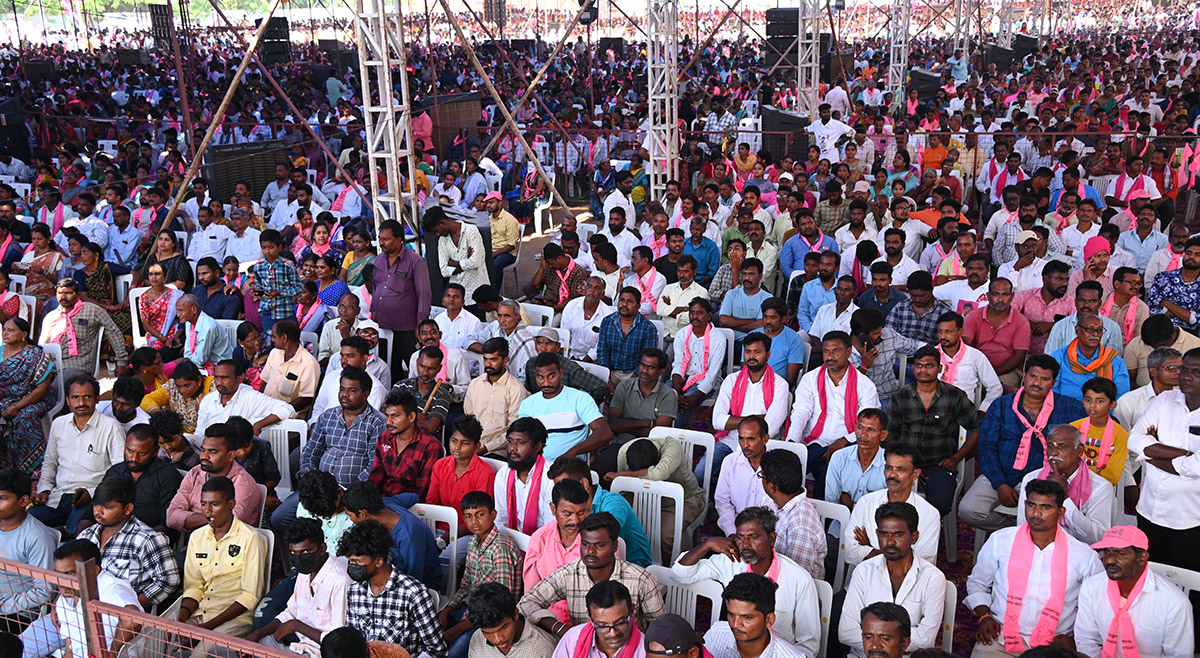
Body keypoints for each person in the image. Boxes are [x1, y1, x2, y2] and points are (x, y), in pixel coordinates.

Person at [965, 479, 1103, 658]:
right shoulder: (1000, 540)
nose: (1036, 513)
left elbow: (1097, 606)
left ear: (1061, 512)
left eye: (1046, 507)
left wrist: (1075, 639)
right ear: (1025, 505)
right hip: (1001, 637)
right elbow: (977, 583)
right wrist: (984, 617)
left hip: (1054, 646)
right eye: (1031, 505)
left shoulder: (1084, 556)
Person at [961, 355, 1087, 533]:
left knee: (1050, 516)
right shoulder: (1001, 405)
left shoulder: (1068, 407)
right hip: (1001, 472)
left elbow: (1104, 423)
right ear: (1025, 376)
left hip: (1045, 477)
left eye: (1044, 379)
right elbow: (987, 447)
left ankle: (1028, 533)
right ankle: (1014, 532)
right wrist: (1000, 483)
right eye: (1033, 376)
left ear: (1053, 382)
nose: (1037, 383)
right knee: (969, 510)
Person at [672, 507, 820, 656]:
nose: (745, 544)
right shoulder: (730, 561)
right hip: (734, 650)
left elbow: (808, 647)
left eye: (753, 537)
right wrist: (707, 545)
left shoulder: (799, 579)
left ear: (772, 539)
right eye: (740, 537)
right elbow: (679, 574)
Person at [518, 512, 664, 634]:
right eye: (585, 544)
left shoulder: (642, 580)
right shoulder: (568, 574)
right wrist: (560, 629)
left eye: (600, 545)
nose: (591, 551)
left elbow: (661, 627)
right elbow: (526, 604)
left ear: (614, 546)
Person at [839, 502, 947, 657]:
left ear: (914, 537)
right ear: (877, 534)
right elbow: (846, 632)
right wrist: (897, 641)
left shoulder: (932, 578)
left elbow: (926, 640)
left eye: (898, 534)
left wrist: (870, 637)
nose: (889, 542)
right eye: (883, 534)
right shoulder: (863, 571)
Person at [886, 345, 983, 514]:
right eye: (918, 365)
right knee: (890, 503)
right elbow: (890, 435)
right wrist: (907, 465)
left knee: (939, 504)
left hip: (939, 464)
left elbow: (976, 427)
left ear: (939, 368)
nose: (923, 370)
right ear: (913, 367)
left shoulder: (954, 396)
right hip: (904, 464)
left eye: (929, 366)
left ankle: (925, 536)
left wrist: (956, 459)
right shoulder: (900, 396)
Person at [1075, 525, 1194, 658]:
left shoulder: (1174, 603)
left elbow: (1178, 656)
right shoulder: (1091, 587)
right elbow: (1087, 640)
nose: (1110, 560)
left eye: (1120, 553)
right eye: (1106, 552)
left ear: (1142, 557)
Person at [787, 331, 882, 496]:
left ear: (849, 352)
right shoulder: (810, 379)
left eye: (835, 351)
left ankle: (822, 519)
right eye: (826, 351)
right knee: (785, 471)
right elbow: (801, 411)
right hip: (813, 443)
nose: (829, 356)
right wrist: (792, 442)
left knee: (828, 474)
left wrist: (843, 441)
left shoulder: (864, 385)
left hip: (849, 446)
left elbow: (867, 426)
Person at [28, 375, 125, 533]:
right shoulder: (59, 424)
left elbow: (120, 472)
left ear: (97, 399)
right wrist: (44, 489)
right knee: (26, 521)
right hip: (57, 498)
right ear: (67, 400)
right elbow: (50, 462)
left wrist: (92, 493)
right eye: (75, 397)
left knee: (77, 533)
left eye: (87, 397)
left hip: (90, 499)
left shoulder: (111, 427)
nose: (81, 403)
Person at [177, 477, 268, 644]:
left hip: (235, 619)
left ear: (231, 504)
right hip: (200, 613)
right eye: (203, 504)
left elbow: (250, 596)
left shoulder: (251, 539)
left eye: (214, 504)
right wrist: (180, 620)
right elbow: (194, 586)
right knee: (160, 641)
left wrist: (206, 628)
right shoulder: (197, 537)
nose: (207, 511)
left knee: (200, 655)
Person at [338, 519, 447, 658]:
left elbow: (437, 649)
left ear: (378, 561)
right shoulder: (355, 591)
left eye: (357, 562)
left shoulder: (413, 593)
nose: (351, 566)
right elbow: (353, 641)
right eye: (350, 561)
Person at [17, 540, 140, 658]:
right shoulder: (66, 598)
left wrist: (112, 652)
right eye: (58, 574)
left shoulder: (110, 588)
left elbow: (133, 619)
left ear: (94, 570)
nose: (61, 582)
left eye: (69, 574)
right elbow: (70, 649)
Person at [247, 518, 351, 657]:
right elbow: (290, 612)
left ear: (322, 549)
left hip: (319, 653)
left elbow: (338, 641)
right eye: (294, 553)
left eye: (305, 552)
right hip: (297, 645)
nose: (299, 558)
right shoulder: (305, 571)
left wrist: (296, 626)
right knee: (249, 649)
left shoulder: (339, 581)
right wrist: (257, 633)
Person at [77, 477, 181, 611]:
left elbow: (168, 580)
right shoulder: (86, 535)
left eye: (107, 507)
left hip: (123, 619)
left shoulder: (147, 539)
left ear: (128, 508)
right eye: (96, 505)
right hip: (82, 610)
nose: (98, 512)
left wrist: (131, 608)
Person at [440, 492, 524, 658]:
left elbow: (500, 603)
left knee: (453, 653)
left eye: (480, 514)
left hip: (490, 620)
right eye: (468, 516)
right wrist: (446, 611)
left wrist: (459, 628)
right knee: (433, 634)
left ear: (493, 515)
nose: (474, 522)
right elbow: (466, 585)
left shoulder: (500, 549)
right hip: (468, 610)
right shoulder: (473, 542)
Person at [1014, 424, 1115, 545]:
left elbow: (1097, 538)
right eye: (1050, 446)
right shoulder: (1031, 479)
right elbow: (1023, 526)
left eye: (1062, 447)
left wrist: (1065, 497)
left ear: (1080, 451)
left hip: (1079, 555)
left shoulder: (1101, 487)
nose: (1054, 453)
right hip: (1037, 549)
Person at [845, 444, 941, 565]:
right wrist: (896, 556)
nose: (892, 475)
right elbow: (849, 553)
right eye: (889, 468)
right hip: (864, 580)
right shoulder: (866, 503)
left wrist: (869, 549)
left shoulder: (929, 514)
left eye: (901, 469)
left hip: (907, 583)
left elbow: (922, 564)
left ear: (915, 474)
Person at [549, 457, 653, 568]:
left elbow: (603, 535)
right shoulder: (567, 510)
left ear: (584, 483)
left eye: (566, 487)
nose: (560, 493)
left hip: (632, 567)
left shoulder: (614, 503)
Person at [342, 481, 442, 589]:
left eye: (350, 515)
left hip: (420, 588)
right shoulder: (387, 504)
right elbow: (413, 497)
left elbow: (413, 579)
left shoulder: (408, 536)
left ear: (363, 513)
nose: (351, 520)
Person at [166, 423, 264, 531]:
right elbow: (171, 517)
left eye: (213, 451)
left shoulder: (243, 483)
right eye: (203, 450)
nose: (204, 456)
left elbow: (230, 526)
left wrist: (191, 519)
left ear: (230, 455)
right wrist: (215, 518)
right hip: (196, 543)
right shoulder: (195, 473)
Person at [519, 352, 611, 461]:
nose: (546, 383)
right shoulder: (527, 404)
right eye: (540, 377)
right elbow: (523, 438)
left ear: (560, 373)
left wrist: (573, 452)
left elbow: (605, 433)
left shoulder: (580, 399)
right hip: (537, 466)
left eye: (551, 376)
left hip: (570, 466)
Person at [601, 349, 677, 476]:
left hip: (650, 450)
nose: (644, 370)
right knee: (599, 470)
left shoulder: (668, 395)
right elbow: (613, 423)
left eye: (651, 367)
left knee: (647, 480)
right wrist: (645, 423)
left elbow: (659, 433)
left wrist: (625, 426)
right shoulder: (624, 386)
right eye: (642, 365)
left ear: (661, 371)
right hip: (620, 445)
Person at [0, 318, 58, 475]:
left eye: (11, 330)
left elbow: (43, 387)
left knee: (24, 417)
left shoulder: (34, 355)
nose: (5, 333)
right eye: (4, 329)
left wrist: (17, 407)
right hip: (6, 399)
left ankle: (31, 470)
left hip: (35, 397)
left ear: (24, 334)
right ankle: (6, 467)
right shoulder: (0, 351)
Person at [0, 468, 56, 627]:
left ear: (23, 501)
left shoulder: (38, 537)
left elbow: (44, 591)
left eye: (2, 498)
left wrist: (4, 606)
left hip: (16, 613)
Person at [758, 449, 826, 580]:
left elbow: (795, 579)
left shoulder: (801, 526)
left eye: (762, 476)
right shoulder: (771, 499)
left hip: (789, 587)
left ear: (772, 487)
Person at [702, 573, 806, 658]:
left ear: (769, 620)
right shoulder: (717, 634)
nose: (735, 624)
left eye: (747, 617)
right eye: (731, 614)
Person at [374, 220, 431, 373]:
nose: (381, 242)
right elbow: (376, 287)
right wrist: (373, 313)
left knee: (414, 367)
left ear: (399, 239)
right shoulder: (379, 259)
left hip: (407, 327)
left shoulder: (415, 261)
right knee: (389, 368)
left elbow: (424, 293)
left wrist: (421, 322)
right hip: (384, 326)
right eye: (380, 239)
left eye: (385, 239)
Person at [40, 278, 128, 376]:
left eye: (69, 293)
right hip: (52, 366)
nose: (63, 297)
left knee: (55, 386)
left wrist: (121, 362)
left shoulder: (92, 309)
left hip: (78, 366)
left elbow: (113, 332)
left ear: (78, 294)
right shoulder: (51, 317)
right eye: (59, 293)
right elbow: (43, 345)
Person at [102, 424, 182, 530]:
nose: (134, 458)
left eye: (142, 453)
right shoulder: (115, 472)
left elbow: (167, 521)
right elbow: (96, 508)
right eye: (130, 451)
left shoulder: (168, 476)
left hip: (149, 538)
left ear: (155, 451)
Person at [367, 389, 444, 498]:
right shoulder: (384, 438)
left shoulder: (430, 446)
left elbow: (422, 492)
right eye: (388, 415)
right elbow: (376, 478)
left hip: (412, 508)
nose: (389, 421)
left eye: (395, 416)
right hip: (383, 504)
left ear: (411, 417)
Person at [548, 580, 648, 658]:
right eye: (602, 625)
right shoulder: (572, 639)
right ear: (590, 617)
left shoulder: (646, 652)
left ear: (631, 611)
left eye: (620, 623)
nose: (613, 633)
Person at [964, 278, 1031, 391]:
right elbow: (966, 347)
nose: (1000, 299)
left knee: (1006, 391)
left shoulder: (1021, 321)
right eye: (996, 294)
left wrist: (992, 375)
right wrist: (981, 372)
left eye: (1005, 294)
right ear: (988, 295)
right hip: (975, 367)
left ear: (1012, 296)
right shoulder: (973, 316)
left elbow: (1019, 356)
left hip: (1006, 371)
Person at [465, 338, 530, 454]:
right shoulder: (475, 384)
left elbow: (514, 430)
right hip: (473, 447)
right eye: (485, 359)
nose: (488, 364)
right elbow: (468, 419)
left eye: (493, 360)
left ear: (505, 360)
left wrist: (485, 448)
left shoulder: (516, 390)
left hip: (499, 452)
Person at [196, 359, 295, 433]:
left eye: (224, 378)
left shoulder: (251, 397)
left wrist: (258, 425)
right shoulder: (208, 400)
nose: (219, 382)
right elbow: (199, 433)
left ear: (239, 379)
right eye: (216, 377)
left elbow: (287, 409)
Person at [1050, 314, 1131, 400]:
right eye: (1090, 329)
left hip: (1103, 412)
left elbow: (1121, 398)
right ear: (1077, 331)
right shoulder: (1059, 357)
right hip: (1065, 410)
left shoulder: (1114, 361)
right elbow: (1052, 392)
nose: (1095, 334)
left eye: (1099, 330)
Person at [466, 582, 558, 658]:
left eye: (503, 628)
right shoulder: (477, 639)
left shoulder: (543, 647)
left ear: (515, 615)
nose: (498, 639)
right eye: (488, 633)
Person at [934, 312, 1002, 411]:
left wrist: (983, 410)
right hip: (934, 410)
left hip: (962, 413)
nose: (943, 336)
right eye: (940, 331)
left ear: (960, 332)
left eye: (948, 332)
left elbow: (995, 387)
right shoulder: (931, 355)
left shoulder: (975, 356)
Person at [311, 337, 388, 425]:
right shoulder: (331, 377)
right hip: (323, 429)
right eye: (342, 356)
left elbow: (366, 423)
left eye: (350, 356)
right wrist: (314, 425)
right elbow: (319, 409)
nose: (344, 360)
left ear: (364, 359)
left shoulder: (375, 388)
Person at [522, 328, 607, 405]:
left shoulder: (569, 367)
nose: (543, 348)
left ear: (558, 347)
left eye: (548, 344)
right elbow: (528, 391)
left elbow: (601, 387)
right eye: (539, 343)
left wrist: (580, 407)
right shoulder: (531, 364)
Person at [826, 408, 888, 511]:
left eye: (871, 430)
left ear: (883, 435)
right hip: (842, 520)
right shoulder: (839, 457)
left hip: (876, 525)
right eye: (860, 428)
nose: (863, 435)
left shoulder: (890, 464)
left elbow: (888, 509)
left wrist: (852, 506)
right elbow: (831, 503)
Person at [425, 206, 489, 302]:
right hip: (456, 296)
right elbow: (444, 271)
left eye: (436, 230)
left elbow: (475, 262)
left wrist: (454, 263)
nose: (437, 234)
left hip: (477, 292)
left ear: (442, 223)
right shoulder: (442, 240)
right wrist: (466, 260)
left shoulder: (471, 231)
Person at [596, 288, 658, 386]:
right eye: (622, 300)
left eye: (629, 301)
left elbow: (648, 359)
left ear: (638, 306)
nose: (624, 304)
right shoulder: (607, 322)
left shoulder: (648, 328)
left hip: (635, 374)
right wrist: (608, 378)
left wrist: (633, 380)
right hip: (611, 372)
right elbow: (602, 351)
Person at [1043, 281, 1124, 357]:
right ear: (1075, 302)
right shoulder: (1060, 326)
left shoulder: (1112, 328)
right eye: (1082, 300)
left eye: (1092, 301)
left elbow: (1113, 361)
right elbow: (1051, 358)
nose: (1086, 305)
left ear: (1100, 303)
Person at [467, 300, 538, 382]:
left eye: (507, 316)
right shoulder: (495, 327)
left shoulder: (526, 342)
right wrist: (487, 351)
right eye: (499, 315)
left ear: (518, 318)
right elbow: (468, 340)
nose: (502, 320)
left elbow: (527, 377)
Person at [262, 318, 321, 410]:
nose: (272, 340)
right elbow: (266, 381)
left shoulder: (309, 364)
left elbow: (306, 399)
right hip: (265, 407)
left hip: (287, 415)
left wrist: (282, 411)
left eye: (274, 336)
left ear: (284, 338)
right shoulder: (274, 353)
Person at [1116, 346, 1180, 430]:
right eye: (1171, 368)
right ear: (1153, 371)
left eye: (1181, 368)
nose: (1178, 372)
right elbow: (1121, 437)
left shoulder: (1185, 399)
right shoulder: (1128, 402)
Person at [887, 271, 952, 345]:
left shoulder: (943, 312)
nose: (917, 300)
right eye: (913, 296)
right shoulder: (900, 308)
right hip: (901, 352)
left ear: (931, 291)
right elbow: (889, 334)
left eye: (922, 296)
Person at [561, 277, 613, 361]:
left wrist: (584, 362)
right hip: (568, 356)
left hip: (593, 361)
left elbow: (602, 345)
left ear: (602, 294)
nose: (592, 290)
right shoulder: (572, 305)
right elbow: (563, 334)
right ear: (584, 290)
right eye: (589, 286)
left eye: (597, 288)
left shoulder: (608, 315)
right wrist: (565, 358)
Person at [529, 243, 590, 312]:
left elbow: (575, 299)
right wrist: (541, 268)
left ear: (559, 258)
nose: (550, 266)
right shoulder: (548, 267)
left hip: (564, 308)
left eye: (551, 263)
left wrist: (554, 308)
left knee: (553, 321)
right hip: (546, 303)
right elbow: (534, 287)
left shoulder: (578, 272)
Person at [192, 257, 243, 321]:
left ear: (216, 273)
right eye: (199, 274)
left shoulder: (230, 297)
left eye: (205, 273)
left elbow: (226, 326)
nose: (201, 277)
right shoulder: (196, 291)